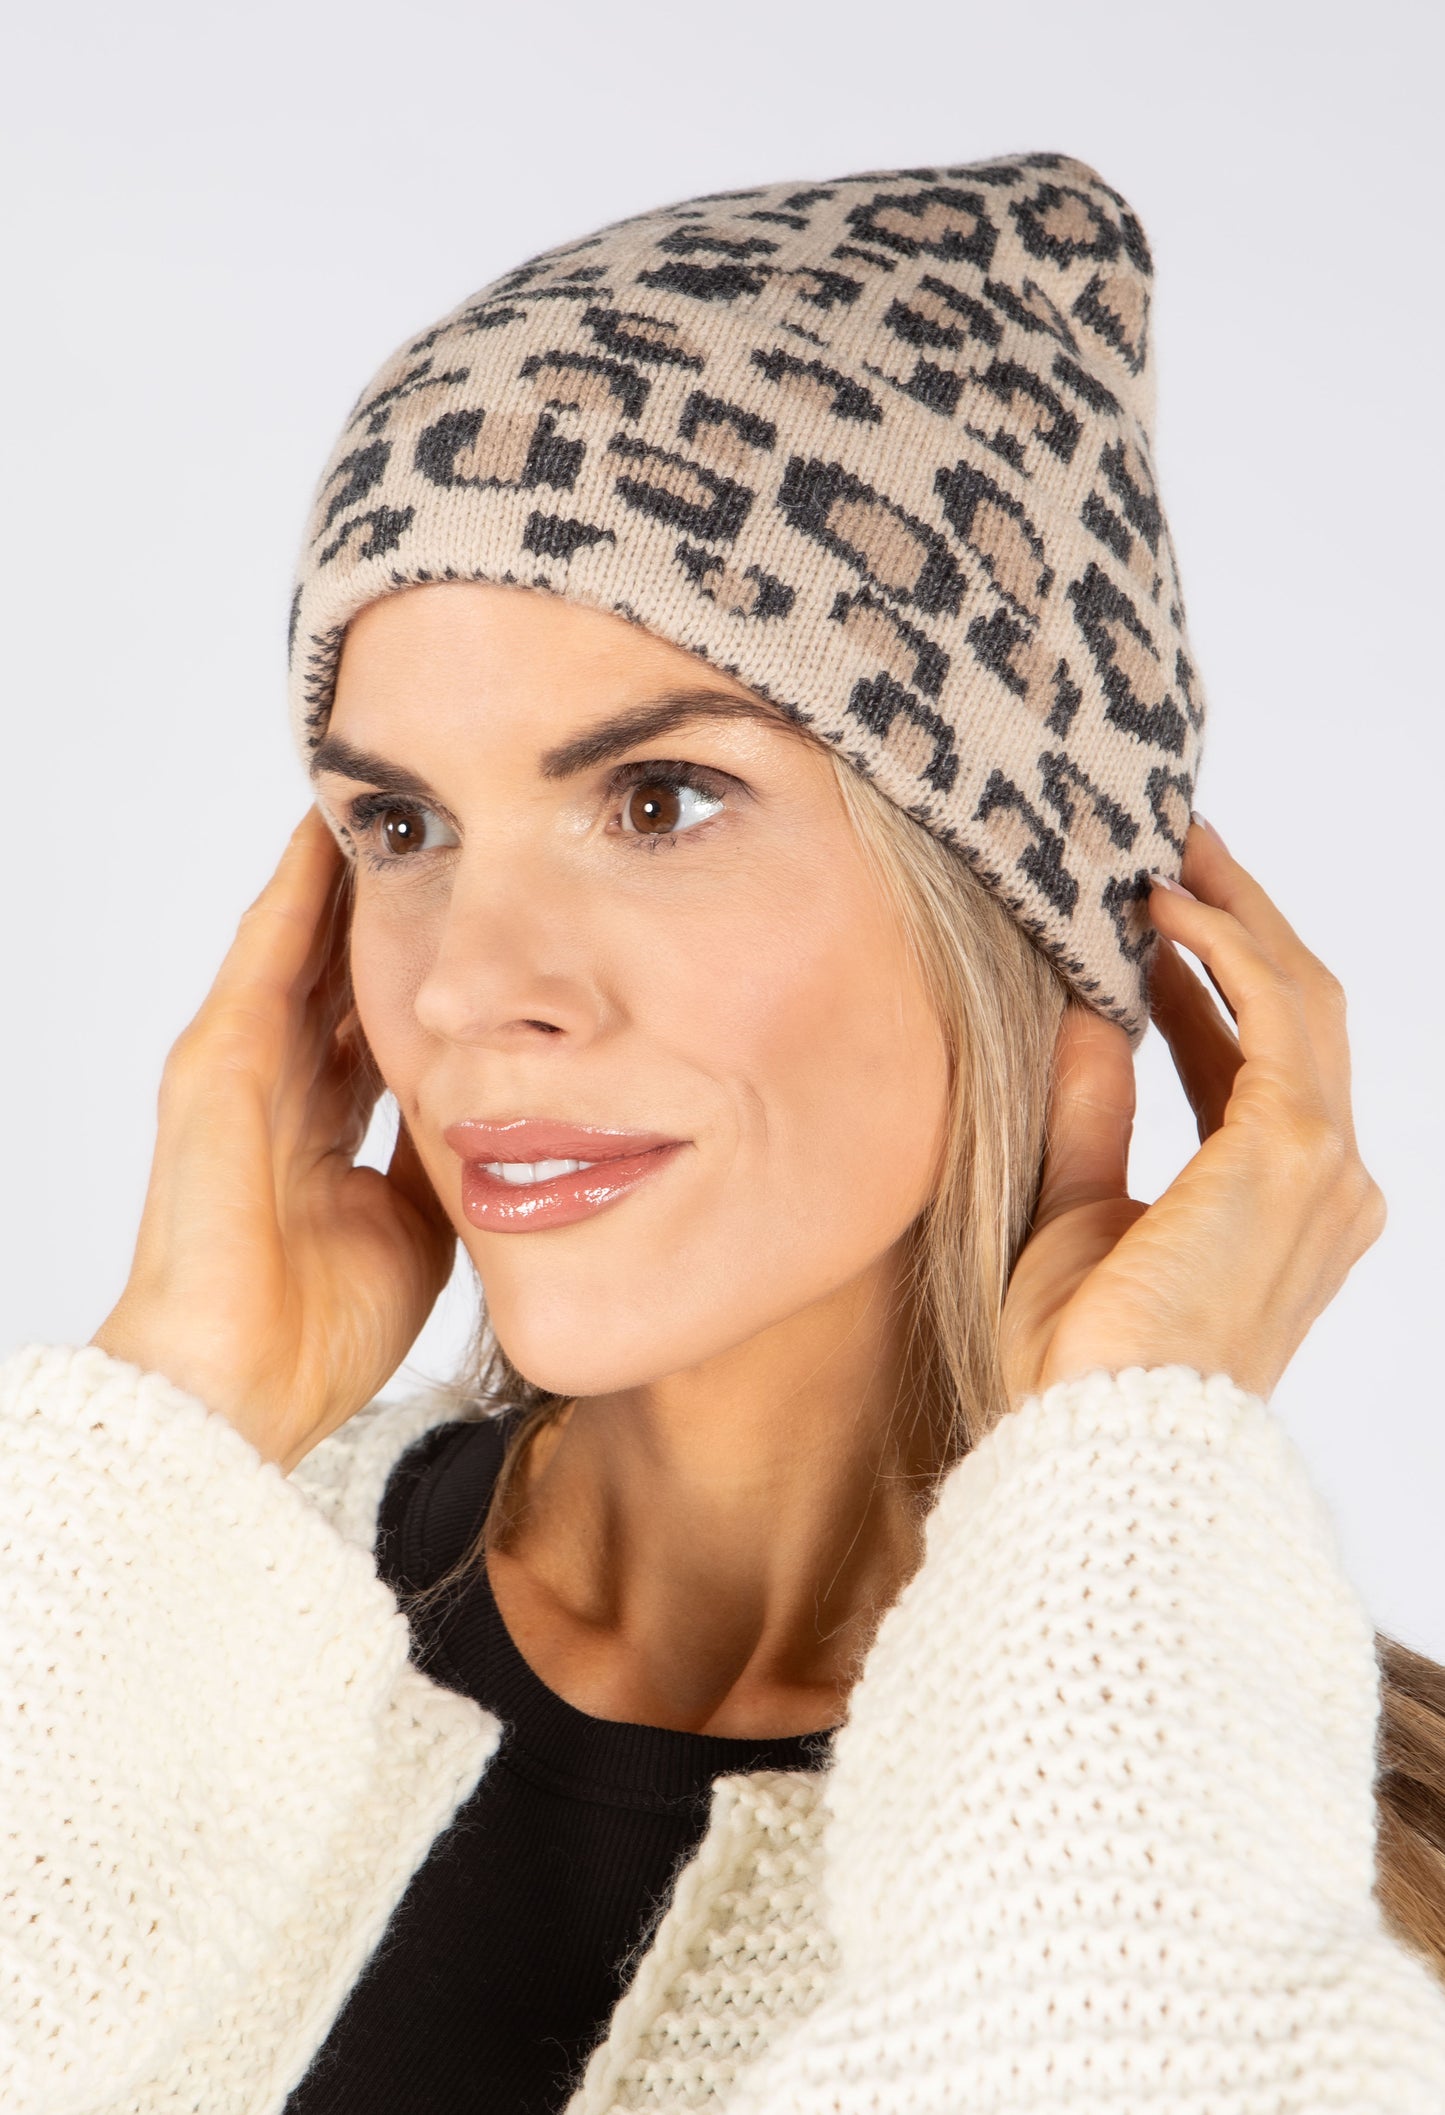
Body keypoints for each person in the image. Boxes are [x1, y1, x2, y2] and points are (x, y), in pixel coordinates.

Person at [5, 150, 1445, 2115]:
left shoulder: (1260, 1857)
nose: (467, 986)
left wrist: (1130, 1481)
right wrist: (166, 1422)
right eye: (401, 827)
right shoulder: (124, 1603)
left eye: (660, 802)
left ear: (1020, 902)